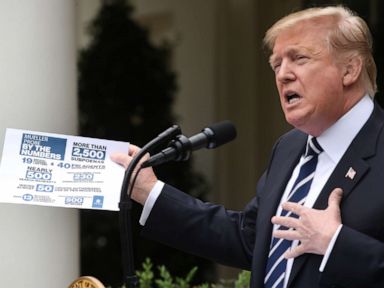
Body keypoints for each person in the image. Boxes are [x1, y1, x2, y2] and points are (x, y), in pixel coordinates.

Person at [111, 5, 384, 288]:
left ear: (349, 69)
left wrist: (336, 244)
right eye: (277, 65)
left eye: (299, 58)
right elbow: (250, 239)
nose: (283, 75)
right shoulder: (290, 148)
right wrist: (149, 190)